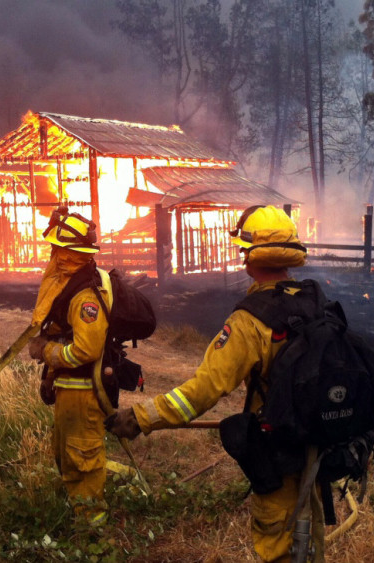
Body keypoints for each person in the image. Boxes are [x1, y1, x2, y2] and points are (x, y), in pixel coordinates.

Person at [105, 205, 326, 562]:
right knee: (307, 536)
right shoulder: (314, 302)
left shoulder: (250, 321)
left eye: (243, 250)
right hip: (319, 445)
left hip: (280, 450)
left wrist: (143, 417)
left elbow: (203, 391)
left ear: (249, 258)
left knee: (279, 546)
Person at [27, 207, 111, 527]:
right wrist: (51, 375)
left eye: (57, 248)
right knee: (66, 459)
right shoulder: (71, 282)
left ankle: (94, 538)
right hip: (69, 390)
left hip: (84, 391)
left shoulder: (85, 294)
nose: (52, 254)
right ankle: (80, 523)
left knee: (82, 463)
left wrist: (47, 353)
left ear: (68, 252)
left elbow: (86, 349)